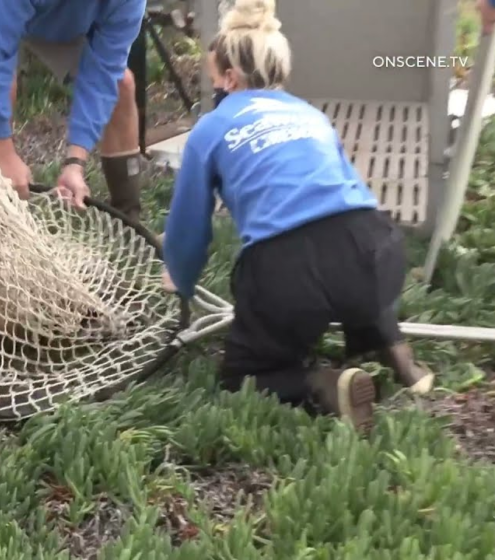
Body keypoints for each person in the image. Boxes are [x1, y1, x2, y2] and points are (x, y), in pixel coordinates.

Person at [162, 0, 434, 432]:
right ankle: (396, 349)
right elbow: (347, 191)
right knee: (355, 275)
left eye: (212, 76)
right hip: (376, 248)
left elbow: (189, 225)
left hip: (291, 271)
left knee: (244, 374)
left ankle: (322, 384)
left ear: (229, 79)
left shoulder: (211, 129)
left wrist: (179, 275)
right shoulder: (311, 115)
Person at [0, 0, 146, 222]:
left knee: (122, 86)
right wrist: (4, 154)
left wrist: (75, 163)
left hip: (56, 16)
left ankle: (129, 221)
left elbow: (104, 72)